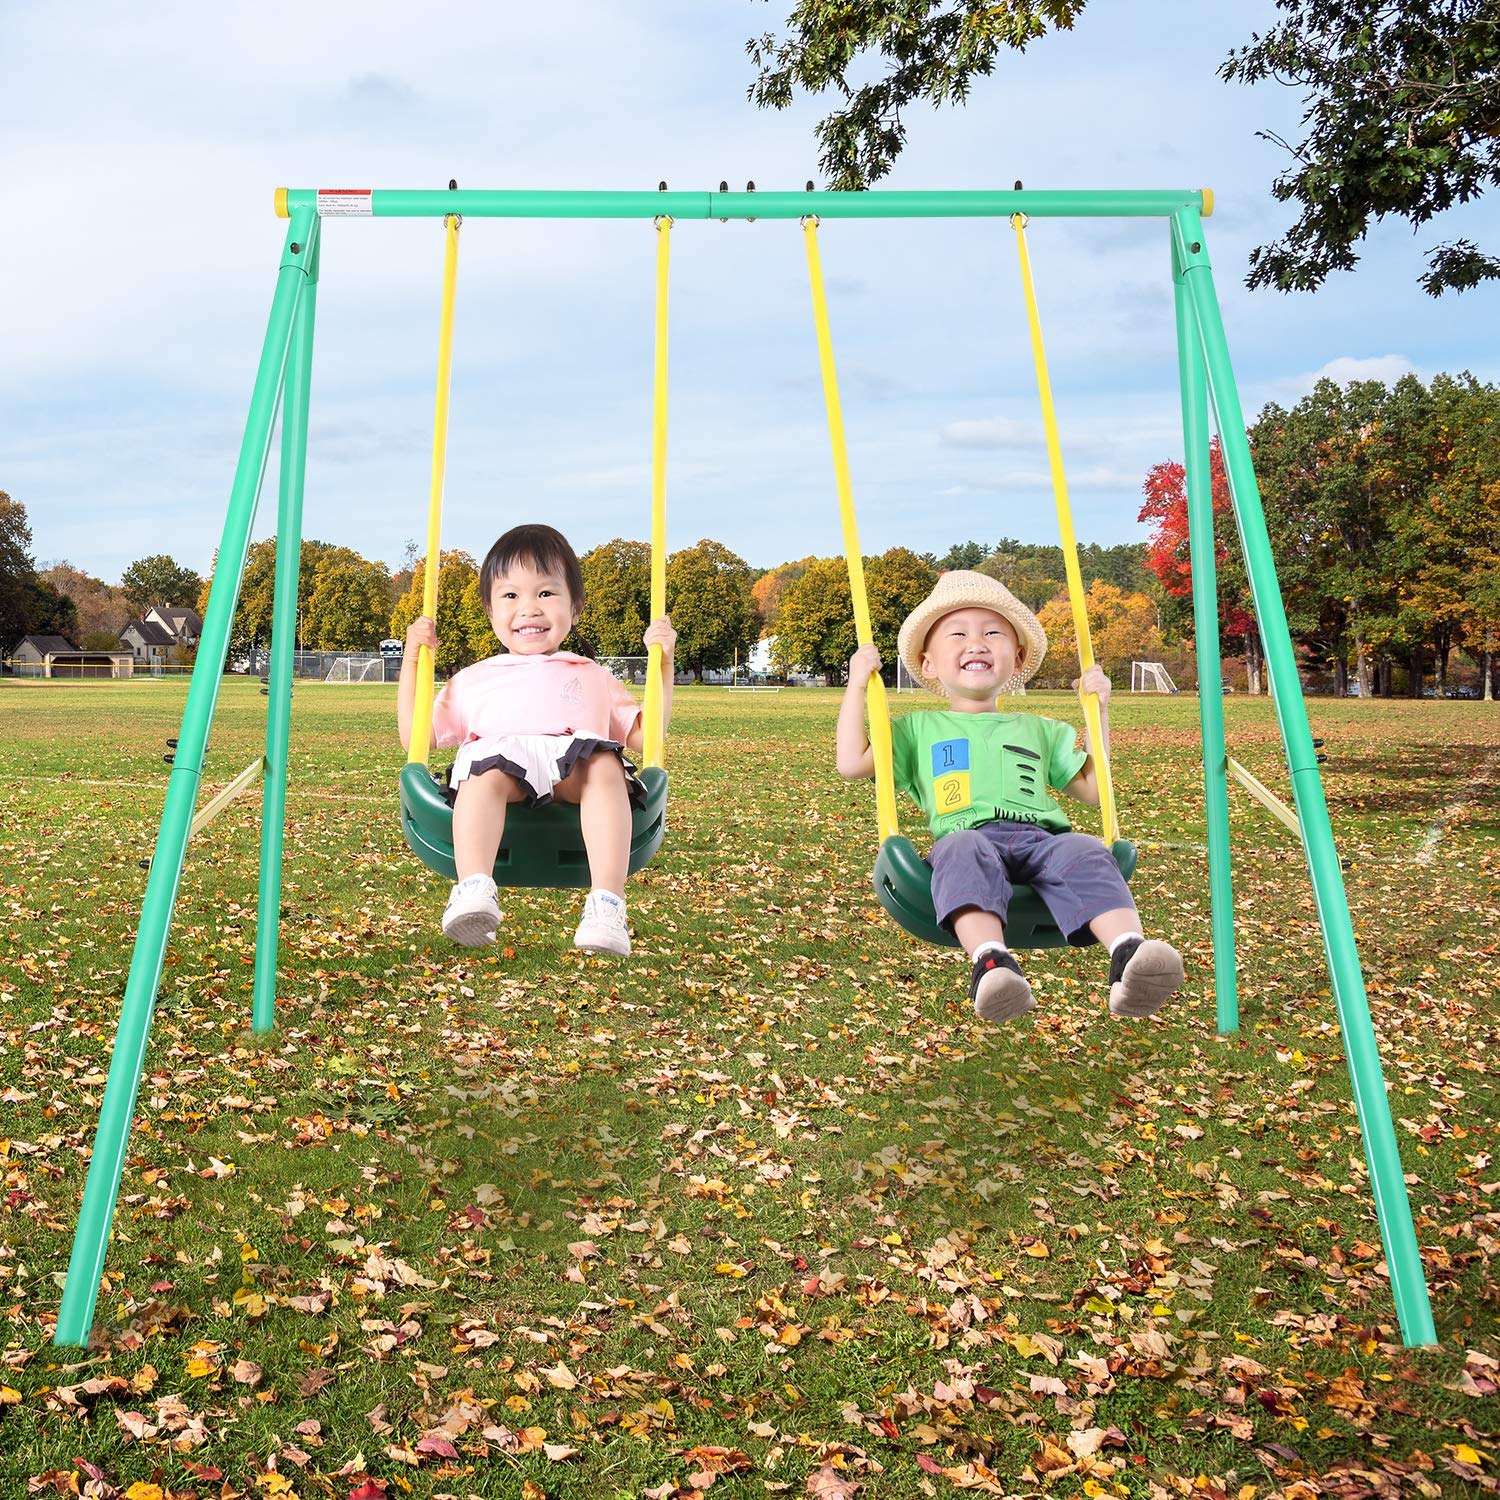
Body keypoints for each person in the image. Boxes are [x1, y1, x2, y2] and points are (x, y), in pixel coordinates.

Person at [836, 570, 1183, 1023]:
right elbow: (851, 762)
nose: (977, 644)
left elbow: (1096, 791)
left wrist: (1098, 716)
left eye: (992, 634)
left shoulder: (1041, 729)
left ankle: (1128, 957)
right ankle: (992, 964)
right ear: (927, 663)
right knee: (963, 849)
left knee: (1085, 849)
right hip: (967, 837)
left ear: (1017, 659)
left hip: (1044, 840)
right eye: (958, 634)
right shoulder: (917, 729)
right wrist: (857, 686)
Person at [397, 524, 675, 956]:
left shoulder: (592, 675)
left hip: (574, 773)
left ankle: (606, 905)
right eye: (511, 596)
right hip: (503, 772)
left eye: (546, 594)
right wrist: (412, 660)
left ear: (574, 607)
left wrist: (665, 664)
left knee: (604, 764)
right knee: (483, 771)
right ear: (491, 612)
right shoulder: (475, 678)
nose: (529, 609)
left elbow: (647, 736)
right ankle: (474, 889)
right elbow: (417, 733)